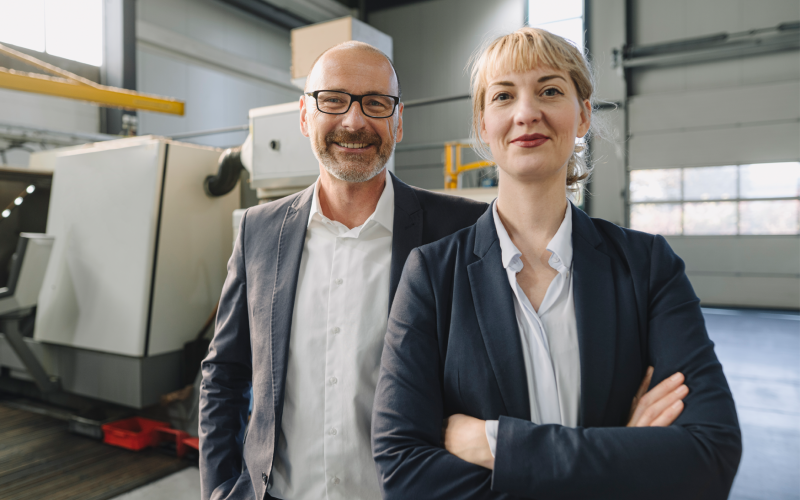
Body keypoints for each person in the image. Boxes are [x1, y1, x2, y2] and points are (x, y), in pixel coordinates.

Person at [371, 27, 742, 500]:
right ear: (483, 124)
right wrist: (625, 450)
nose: (527, 113)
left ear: (583, 114)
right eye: (504, 96)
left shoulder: (649, 267)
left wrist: (496, 443)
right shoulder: (431, 275)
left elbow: (710, 457)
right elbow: (403, 470)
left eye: (550, 91)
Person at [198, 42, 491, 500]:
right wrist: (218, 489)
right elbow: (225, 375)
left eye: (376, 102)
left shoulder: (459, 230)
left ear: (398, 121)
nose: (354, 121)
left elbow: (488, 381)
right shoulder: (260, 231)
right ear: (304, 116)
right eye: (333, 100)